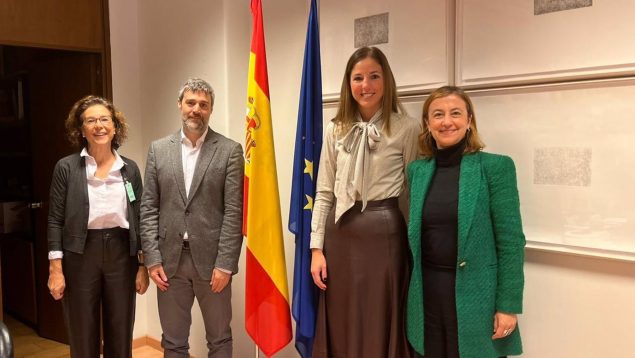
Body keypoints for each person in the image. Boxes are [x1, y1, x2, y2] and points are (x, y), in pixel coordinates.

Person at [310, 46, 421, 358]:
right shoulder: (335, 128)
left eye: (373, 76)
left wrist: (416, 247)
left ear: (386, 80)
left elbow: (413, 192)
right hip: (340, 233)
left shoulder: (407, 128)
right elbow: (324, 192)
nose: (365, 85)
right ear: (348, 84)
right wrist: (316, 249)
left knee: (380, 314)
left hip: (384, 235)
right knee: (343, 315)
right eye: (357, 78)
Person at [405, 85, 525, 358]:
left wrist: (507, 306)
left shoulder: (495, 167)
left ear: (469, 120)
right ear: (427, 123)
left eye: (455, 113)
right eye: (438, 115)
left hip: (478, 295)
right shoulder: (417, 172)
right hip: (427, 293)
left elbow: (511, 242)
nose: (447, 121)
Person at [140, 78, 243, 358]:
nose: (196, 109)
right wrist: (152, 259)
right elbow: (148, 207)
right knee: (173, 342)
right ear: (180, 106)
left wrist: (225, 264)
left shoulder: (230, 151)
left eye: (203, 104)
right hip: (169, 264)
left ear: (210, 110)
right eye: (190, 103)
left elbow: (234, 213)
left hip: (213, 266)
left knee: (220, 339)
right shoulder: (158, 150)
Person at [47, 95, 149, 357]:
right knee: (82, 330)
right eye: (90, 121)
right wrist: (56, 269)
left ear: (115, 127)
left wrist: (142, 265)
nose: (99, 126)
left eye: (105, 119)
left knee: (120, 327)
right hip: (80, 255)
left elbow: (140, 219)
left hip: (121, 254)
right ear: (81, 130)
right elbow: (55, 219)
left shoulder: (130, 170)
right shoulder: (66, 168)